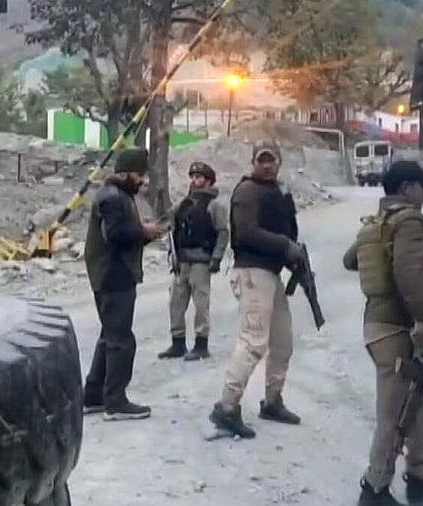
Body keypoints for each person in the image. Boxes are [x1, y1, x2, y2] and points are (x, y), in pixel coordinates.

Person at [342, 161, 423, 506]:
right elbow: (407, 274)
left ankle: (421, 477)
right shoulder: (408, 220)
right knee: (394, 412)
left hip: (381, 326)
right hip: (398, 327)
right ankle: (374, 487)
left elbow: (351, 260)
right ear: (408, 188)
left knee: (419, 401)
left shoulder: (378, 223)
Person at [208, 140, 304, 439]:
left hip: (271, 273)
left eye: (271, 159)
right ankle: (226, 407)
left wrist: (292, 254)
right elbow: (246, 232)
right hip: (252, 272)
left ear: (279, 162)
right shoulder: (248, 191)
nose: (266, 164)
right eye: (261, 160)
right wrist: (285, 246)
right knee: (252, 342)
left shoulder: (278, 191)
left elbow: (288, 229)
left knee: (283, 343)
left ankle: (272, 401)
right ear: (253, 162)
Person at [82, 147, 165, 421]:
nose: (142, 180)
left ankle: (93, 396)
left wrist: (147, 234)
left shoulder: (117, 195)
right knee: (120, 340)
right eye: (139, 175)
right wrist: (144, 231)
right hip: (113, 276)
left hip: (112, 274)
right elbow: (116, 235)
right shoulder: (113, 198)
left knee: (109, 335)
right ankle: (115, 402)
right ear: (126, 173)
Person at [158, 161, 229, 361]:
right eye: (193, 177)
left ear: (208, 181)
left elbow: (223, 233)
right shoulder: (185, 203)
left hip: (201, 261)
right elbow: (168, 219)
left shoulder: (215, 206)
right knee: (176, 303)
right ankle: (178, 342)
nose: (194, 181)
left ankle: (201, 344)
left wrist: (216, 258)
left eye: (199, 177)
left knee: (200, 305)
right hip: (182, 262)